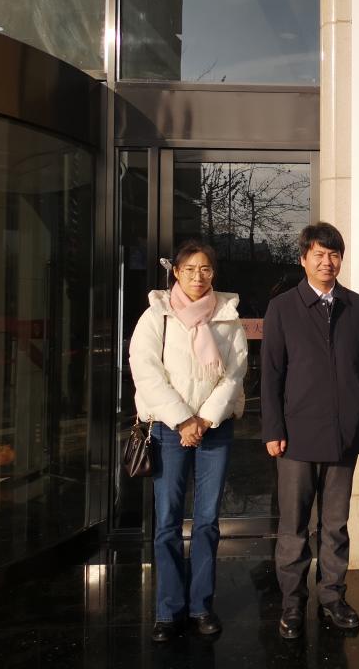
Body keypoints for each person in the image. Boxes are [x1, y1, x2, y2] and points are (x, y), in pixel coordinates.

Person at [261, 222, 359, 640]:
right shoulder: (283, 307)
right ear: (303, 259)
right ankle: (293, 603)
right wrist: (273, 428)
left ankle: (332, 597)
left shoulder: (356, 305)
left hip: (343, 433)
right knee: (294, 526)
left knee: (335, 524)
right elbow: (271, 373)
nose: (327, 262)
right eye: (319, 254)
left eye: (333, 254)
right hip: (296, 434)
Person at [128, 240, 248, 642]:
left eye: (206, 269)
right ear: (176, 273)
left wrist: (205, 418)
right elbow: (146, 372)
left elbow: (235, 373)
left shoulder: (227, 316)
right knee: (167, 521)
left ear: (214, 273)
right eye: (191, 269)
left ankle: (201, 606)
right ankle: (168, 610)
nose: (199, 276)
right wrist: (183, 420)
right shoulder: (156, 316)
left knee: (208, 521)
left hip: (215, 427)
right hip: (168, 428)